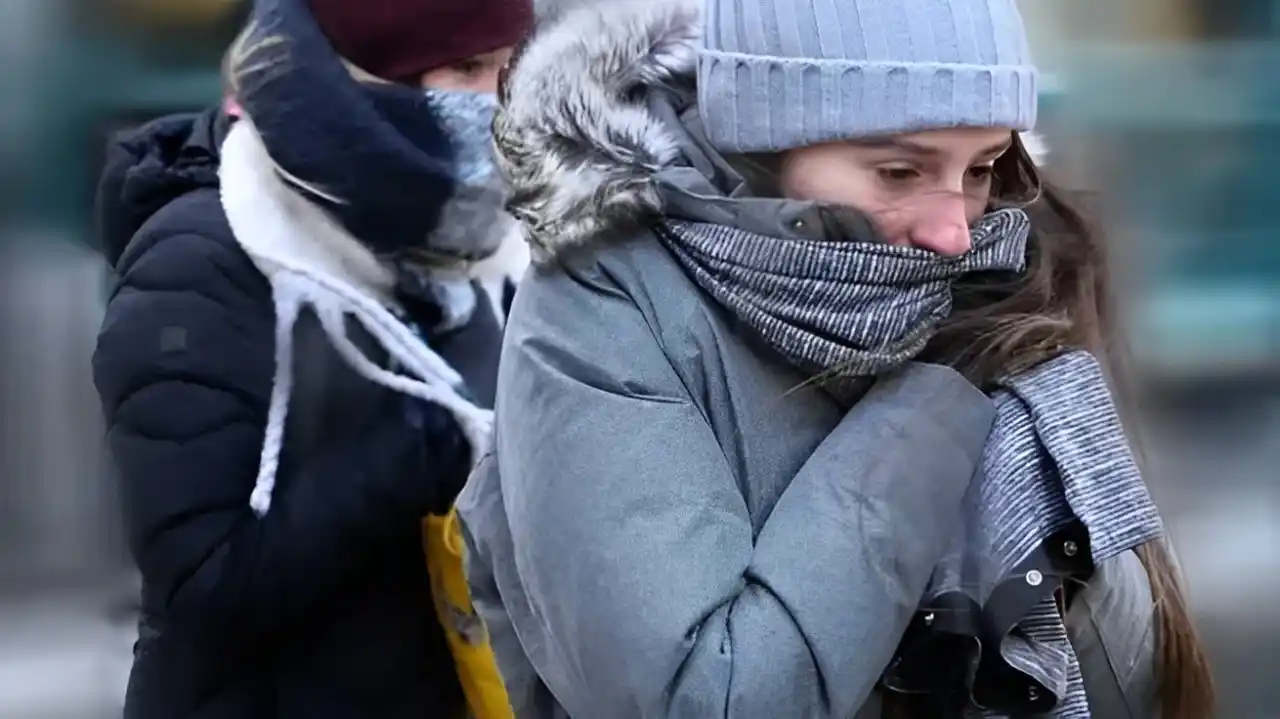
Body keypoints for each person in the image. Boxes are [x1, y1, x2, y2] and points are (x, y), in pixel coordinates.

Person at [457, 0, 1215, 717]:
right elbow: (709, 696)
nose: (955, 231)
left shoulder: (1001, 278)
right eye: (899, 172)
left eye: (980, 168)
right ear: (763, 142)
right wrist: (929, 408)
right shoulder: (601, 305)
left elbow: (1132, 666)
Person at [91, 0, 532, 716]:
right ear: (367, 78)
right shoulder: (203, 261)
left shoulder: (483, 245)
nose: (500, 99)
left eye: (510, 66)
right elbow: (202, 586)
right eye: (470, 68)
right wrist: (420, 448)